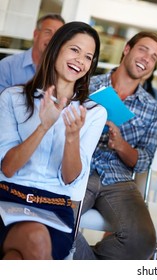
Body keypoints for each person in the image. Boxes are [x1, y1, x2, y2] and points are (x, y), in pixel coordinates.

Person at [0, 21, 106, 260]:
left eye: (88, 57)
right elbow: (8, 167)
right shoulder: (12, 98)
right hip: (7, 201)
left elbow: (70, 179)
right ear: (56, 48)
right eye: (75, 50)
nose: (80, 60)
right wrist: (44, 126)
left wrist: (72, 137)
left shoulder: (93, 112)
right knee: (34, 240)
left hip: (55, 209)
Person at [73, 31, 157, 260]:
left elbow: (144, 159)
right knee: (56, 221)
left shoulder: (151, 107)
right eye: (143, 49)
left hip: (119, 179)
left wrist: (122, 146)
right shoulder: (86, 85)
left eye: (154, 57)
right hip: (78, 170)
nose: (147, 58)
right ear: (127, 49)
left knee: (143, 240)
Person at [0, 13, 65, 93]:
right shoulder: (7, 66)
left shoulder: (63, 71)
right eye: (48, 32)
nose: (52, 39)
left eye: (57, 35)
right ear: (36, 34)